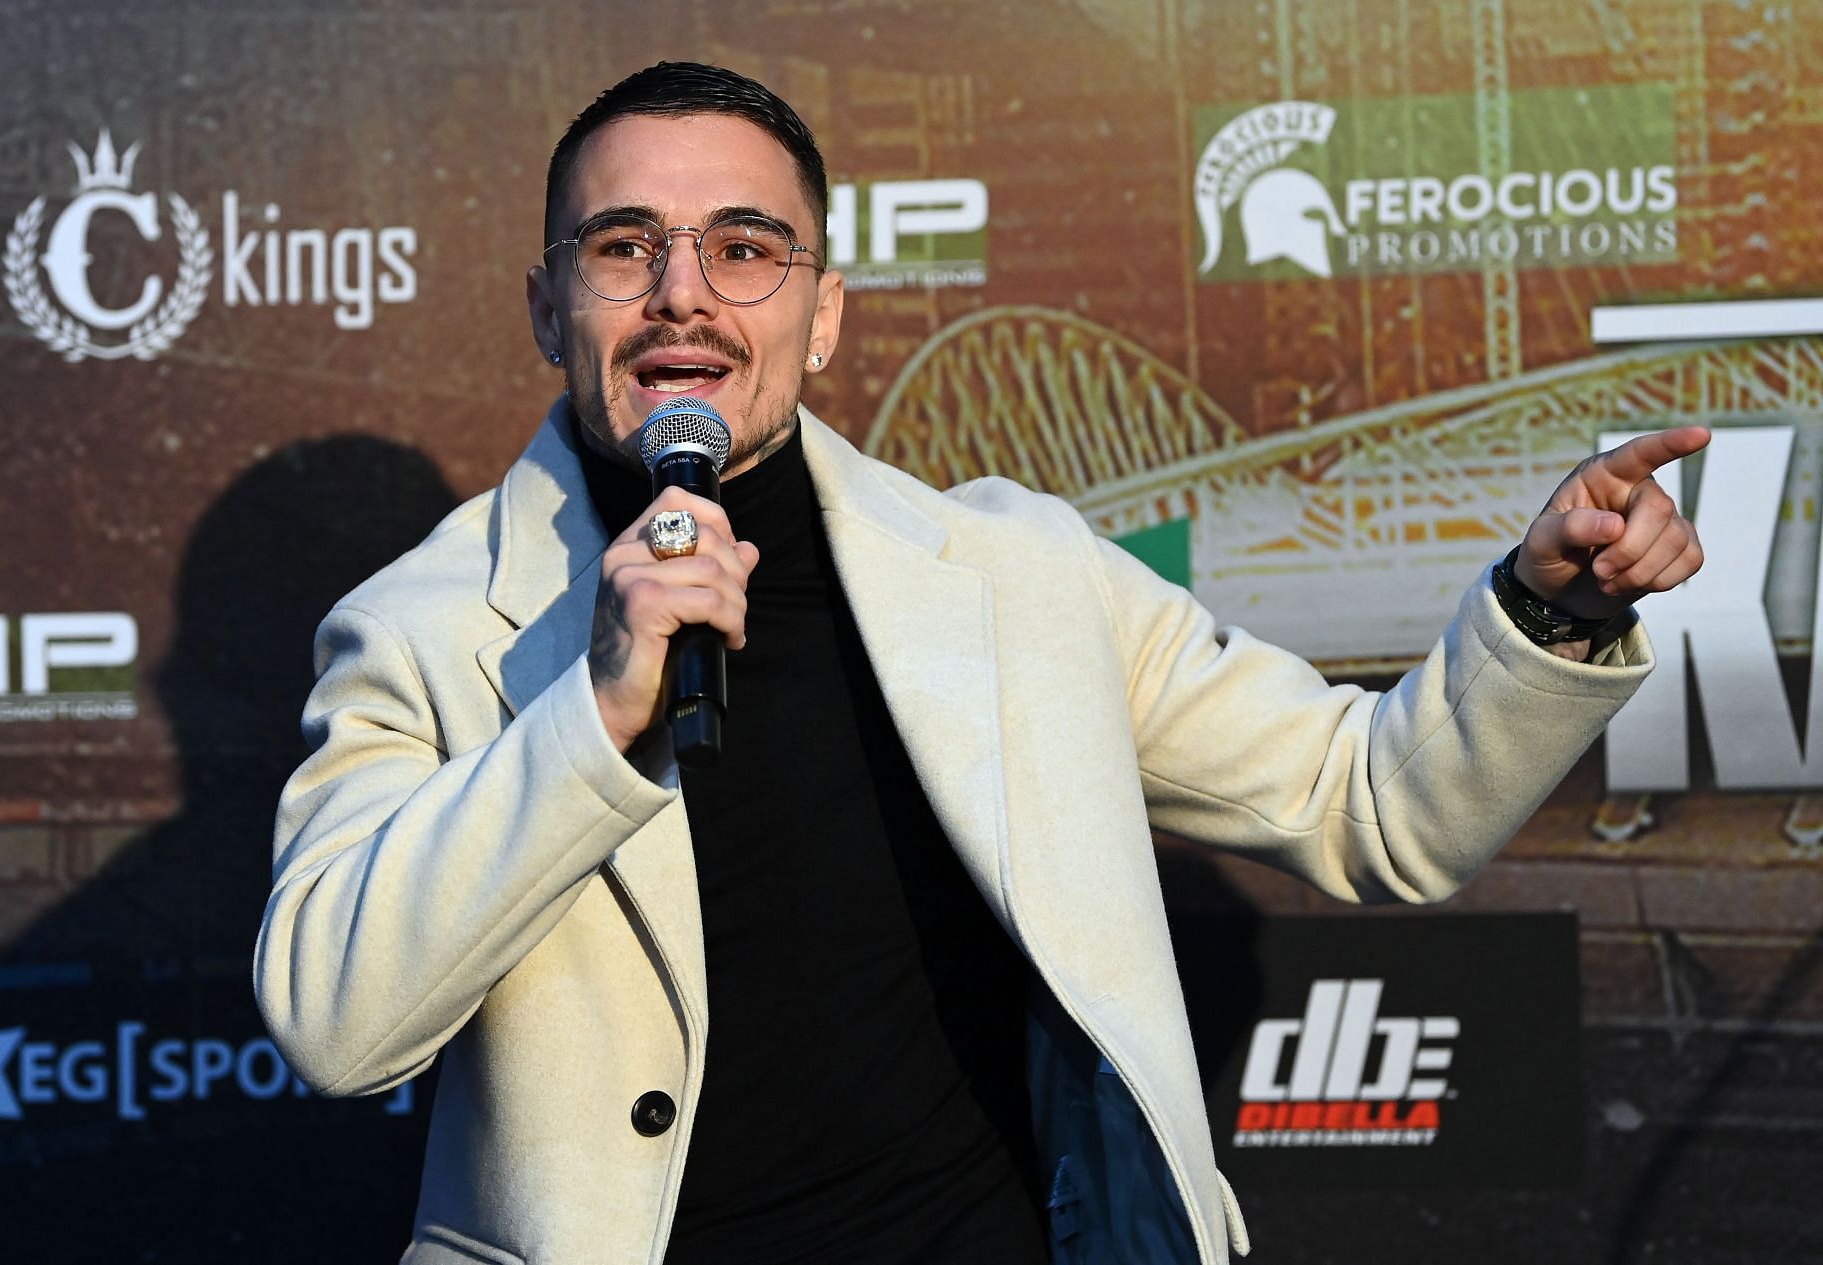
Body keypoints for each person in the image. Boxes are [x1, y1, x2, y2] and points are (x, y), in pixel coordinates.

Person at [253, 62, 1704, 1265]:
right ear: (547, 304)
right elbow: (338, 1023)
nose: (683, 294)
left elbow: (1374, 807)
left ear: (823, 313)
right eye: (625, 247)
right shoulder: (431, 622)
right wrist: (597, 715)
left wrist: (1543, 611)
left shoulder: (1015, 572)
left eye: (745, 248)